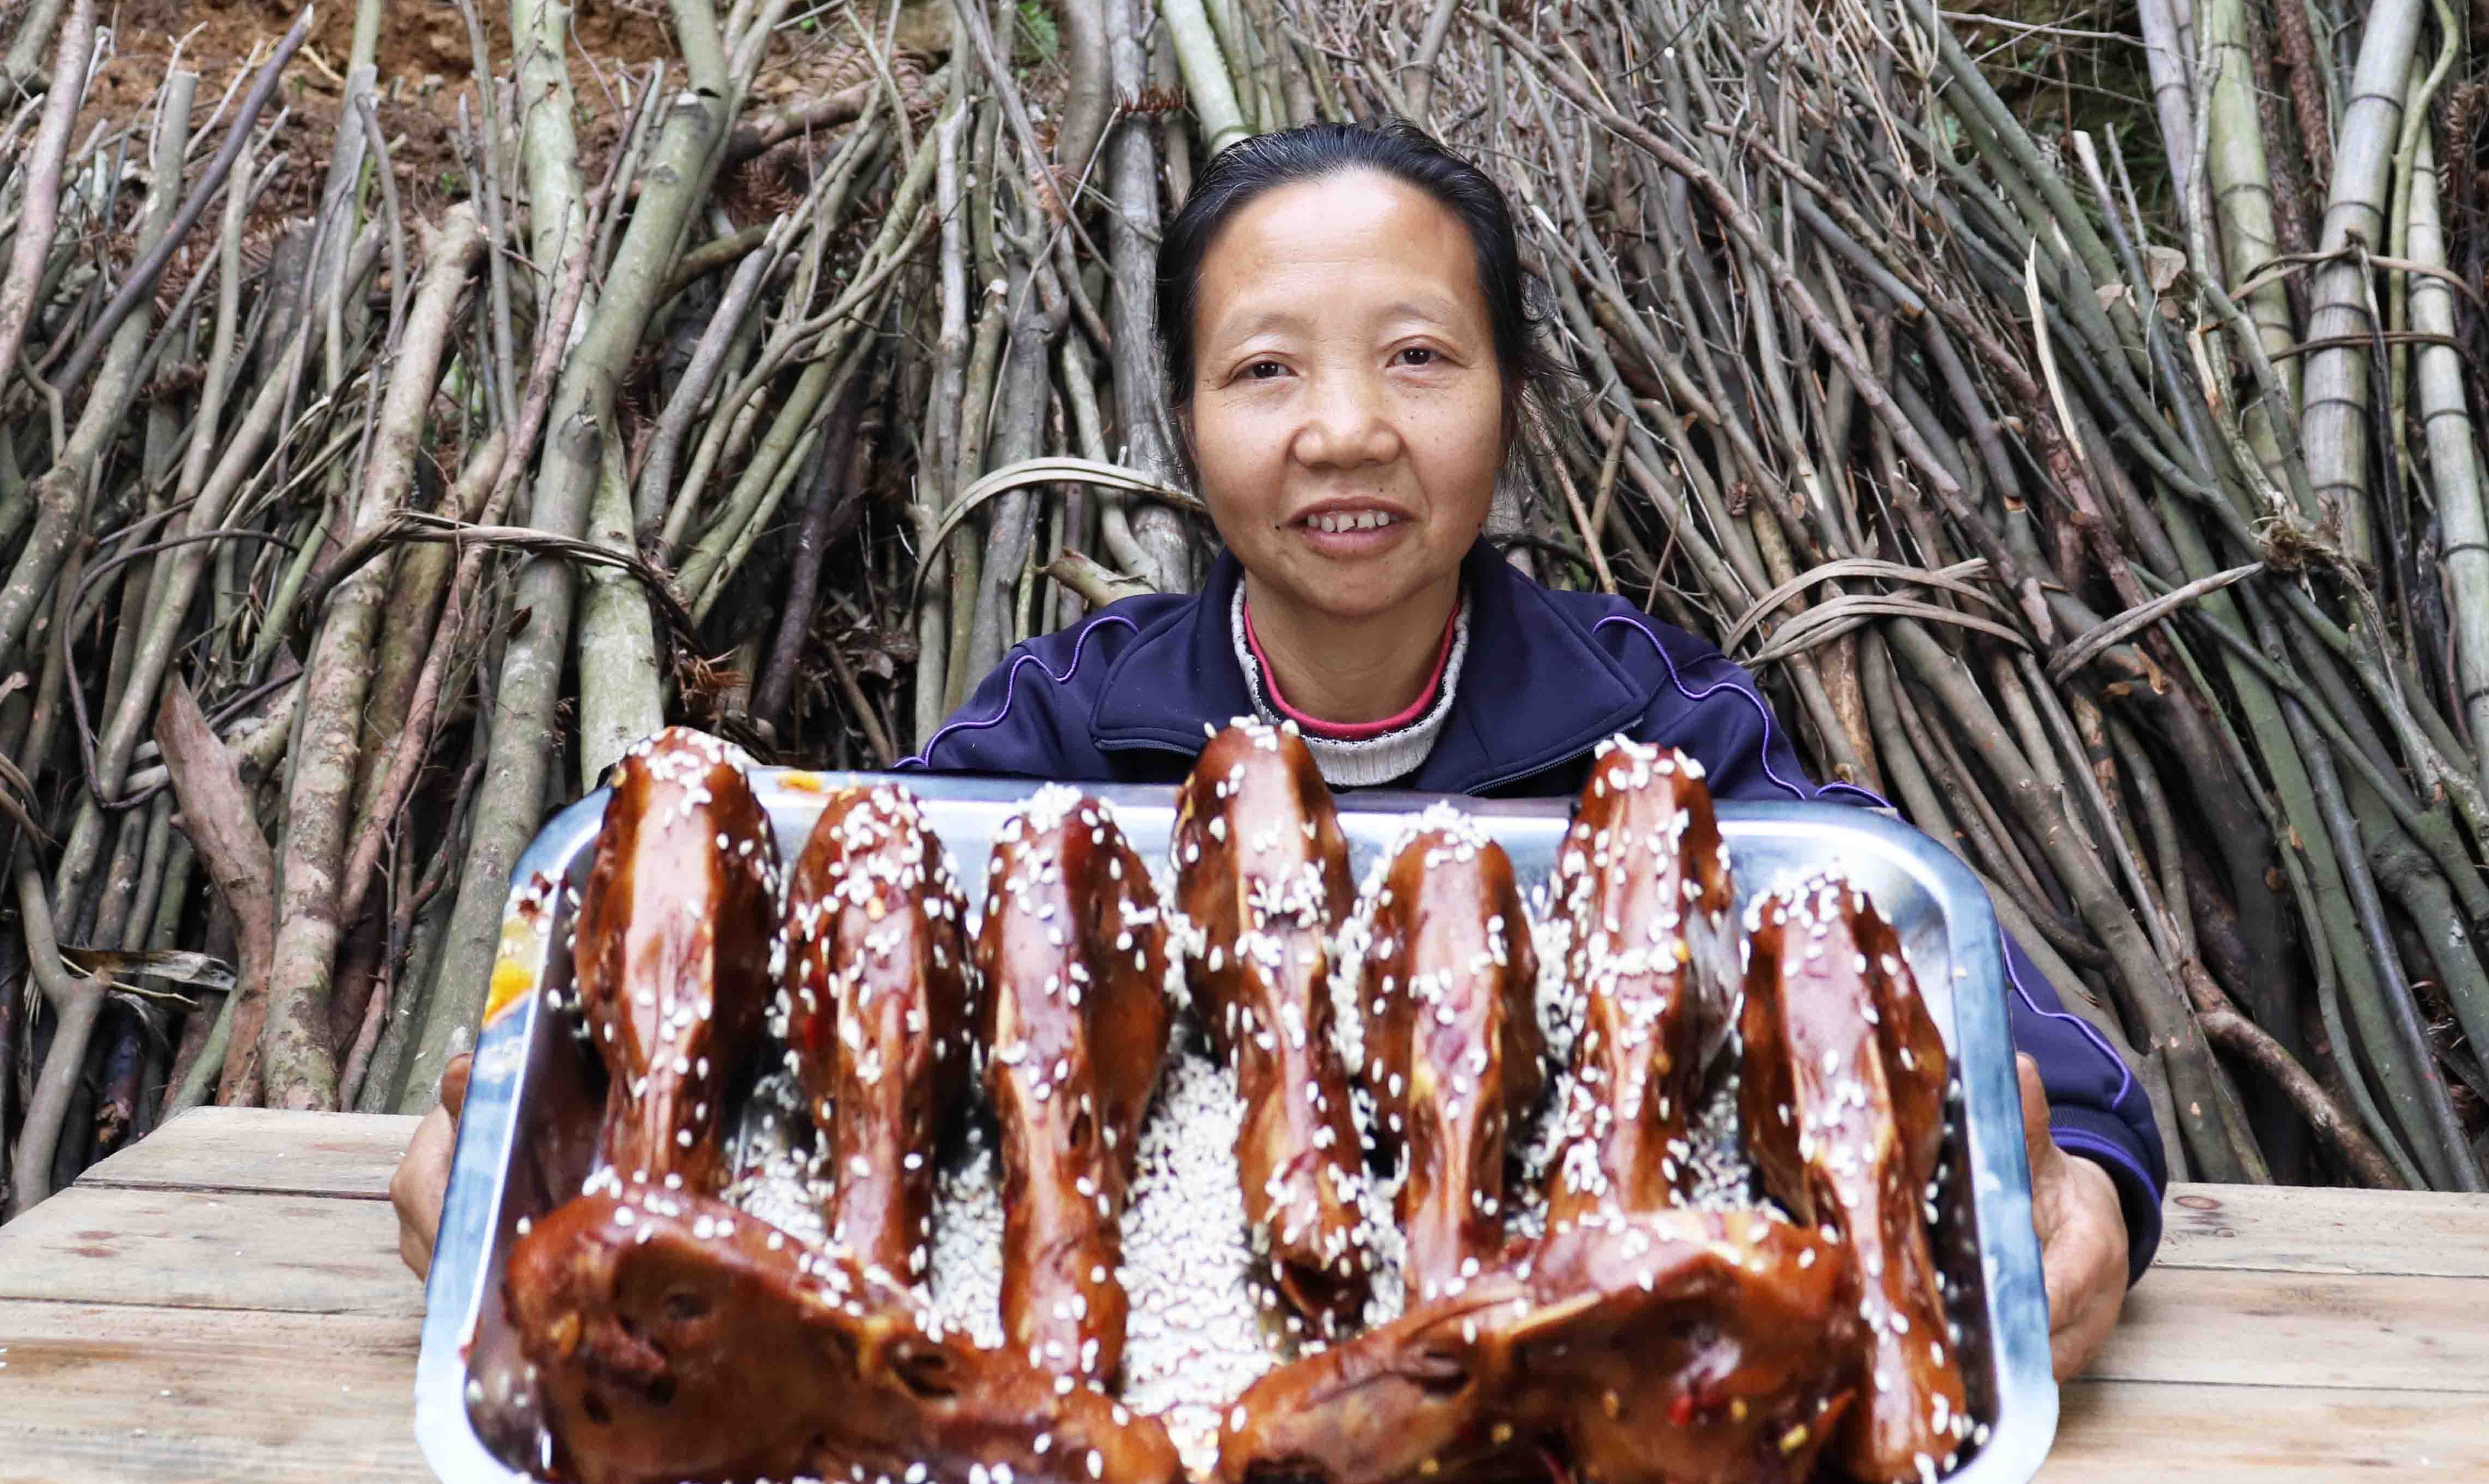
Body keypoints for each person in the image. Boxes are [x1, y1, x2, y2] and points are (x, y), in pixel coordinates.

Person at [394, 120, 2158, 1384]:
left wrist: (2078, 1182)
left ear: (1508, 401)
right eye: (1265, 370)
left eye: (1416, 357)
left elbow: (1967, 991)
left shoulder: (1662, 737)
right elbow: (820, 967)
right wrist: (494, 1143)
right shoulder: (1060, 741)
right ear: (1183, 419)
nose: (1344, 429)